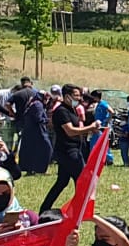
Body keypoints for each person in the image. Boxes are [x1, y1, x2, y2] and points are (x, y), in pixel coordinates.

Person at [41, 85, 97, 214]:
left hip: (73, 150)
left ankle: (45, 208)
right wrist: (90, 128)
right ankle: (79, 211)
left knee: (62, 182)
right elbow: (70, 131)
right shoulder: (61, 111)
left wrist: (89, 130)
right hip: (67, 151)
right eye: (76, 95)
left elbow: (78, 128)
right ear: (67, 96)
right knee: (83, 181)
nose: (79, 98)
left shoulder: (72, 110)